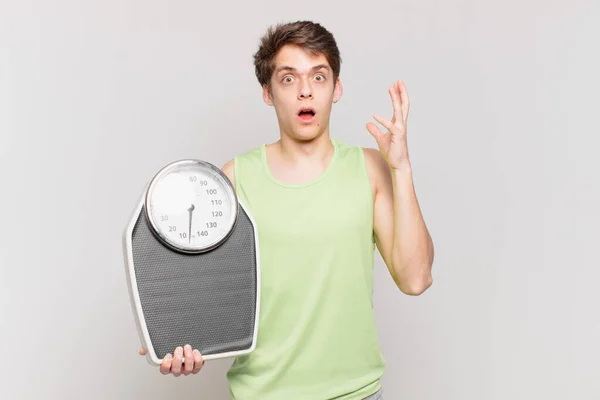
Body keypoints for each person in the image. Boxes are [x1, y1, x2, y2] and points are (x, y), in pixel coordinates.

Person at [140, 20, 434, 399]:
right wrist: (175, 338)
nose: (306, 91)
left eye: (319, 76)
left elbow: (416, 279)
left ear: (336, 88)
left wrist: (401, 168)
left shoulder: (370, 168)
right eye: (289, 79)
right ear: (268, 92)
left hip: (355, 394)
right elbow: (200, 291)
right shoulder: (236, 177)